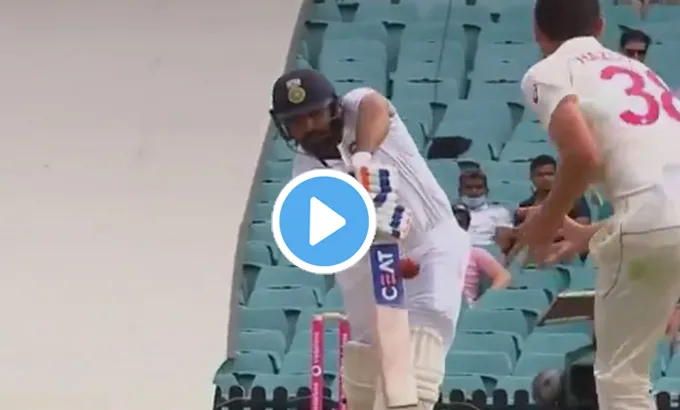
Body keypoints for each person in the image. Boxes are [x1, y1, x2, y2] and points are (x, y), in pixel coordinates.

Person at [269, 68, 470, 410]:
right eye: (297, 121)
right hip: (366, 266)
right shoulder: (305, 170)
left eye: (314, 114)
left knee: (416, 376)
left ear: (333, 107)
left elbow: (376, 106)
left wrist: (362, 159)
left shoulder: (359, 106)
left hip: (429, 245)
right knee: (365, 380)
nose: (308, 126)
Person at [515, 0, 680, 409]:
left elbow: (582, 156)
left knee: (620, 380)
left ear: (536, 30)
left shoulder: (550, 70)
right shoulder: (644, 72)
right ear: (601, 26)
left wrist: (545, 223)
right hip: (662, 222)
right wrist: (590, 233)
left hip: (652, 225)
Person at [512, 154, 592, 262]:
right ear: (531, 177)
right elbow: (520, 234)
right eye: (540, 175)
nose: (545, 178)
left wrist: (548, 235)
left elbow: (583, 226)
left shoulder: (574, 199)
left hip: (567, 248)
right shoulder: (525, 207)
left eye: (550, 174)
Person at [452, 204, 511, 305]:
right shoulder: (430, 252)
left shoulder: (475, 253)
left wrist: (483, 302)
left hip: (465, 305)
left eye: (461, 223)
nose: (457, 227)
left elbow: (504, 277)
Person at [457, 169, 514, 248]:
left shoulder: (500, 212)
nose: (474, 191)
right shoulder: (450, 213)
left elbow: (504, 241)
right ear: (460, 191)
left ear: (487, 191)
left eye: (479, 187)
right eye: (468, 187)